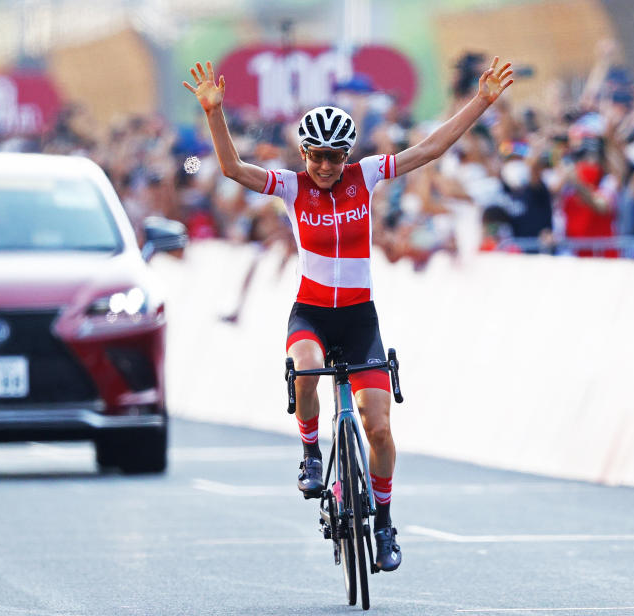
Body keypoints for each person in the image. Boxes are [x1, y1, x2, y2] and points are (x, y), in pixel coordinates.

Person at [184, 57, 513, 572]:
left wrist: (481, 102)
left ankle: (382, 522)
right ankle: (312, 452)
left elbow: (430, 148)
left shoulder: (367, 175)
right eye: (317, 157)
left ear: (347, 154)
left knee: (379, 429)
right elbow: (232, 169)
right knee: (306, 370)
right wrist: (215, 113)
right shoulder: (292, 188)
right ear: (304, 153)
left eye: (335, 157)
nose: (326, 167)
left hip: (360, 320)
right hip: (312, 313)